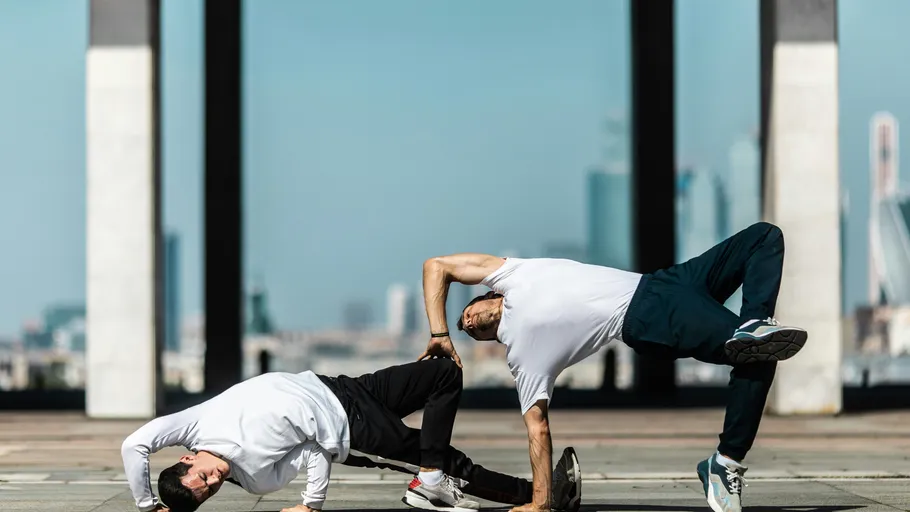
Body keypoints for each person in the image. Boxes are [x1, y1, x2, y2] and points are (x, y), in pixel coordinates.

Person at [419, 222, 808, 512]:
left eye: (468, 313)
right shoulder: (523, 354)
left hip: (665, 281)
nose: (468, 324)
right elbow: (537, 426)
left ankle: (754, 325)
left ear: (487, 294)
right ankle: (725, 462)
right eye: (470, 332)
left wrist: (440, 332)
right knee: (755, 353)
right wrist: (540, 502)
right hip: (645, 316)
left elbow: (437, 266)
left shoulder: (512, 273)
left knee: (764, 236)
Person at [121, 359, 581, 512]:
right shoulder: (257, 477)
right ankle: (543, 495)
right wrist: (311, 503)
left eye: (200, 479)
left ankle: (431, 474)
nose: (213, 482)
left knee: (443, 374)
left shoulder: (192, 426)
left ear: (185, 460)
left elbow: (134, 444)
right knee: (452, 463)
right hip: (353, 431)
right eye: (208, 494)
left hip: (343, 386)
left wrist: (147, 506)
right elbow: (316, 454)